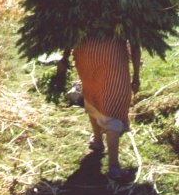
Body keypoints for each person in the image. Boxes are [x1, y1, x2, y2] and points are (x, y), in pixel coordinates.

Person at [57, 37, 141, 183]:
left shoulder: (81, 15)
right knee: (114, 101)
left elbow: (69, 29)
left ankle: (97, 140)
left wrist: (64, 57)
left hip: (84, 53)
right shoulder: (122, 14)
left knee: (92, 93)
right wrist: (136, 75)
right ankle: (114, 166)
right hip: (112, 53)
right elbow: (135, 42)